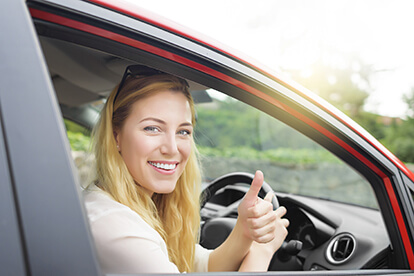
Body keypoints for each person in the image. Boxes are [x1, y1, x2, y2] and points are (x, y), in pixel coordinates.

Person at [83, 64, 289, 274]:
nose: (172, 148)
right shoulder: (116, 226)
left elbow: (201, 266)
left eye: (183, 131)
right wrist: (263, 250)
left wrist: (245, 230)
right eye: (152, 128)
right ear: (116, 137)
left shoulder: (138, 206)